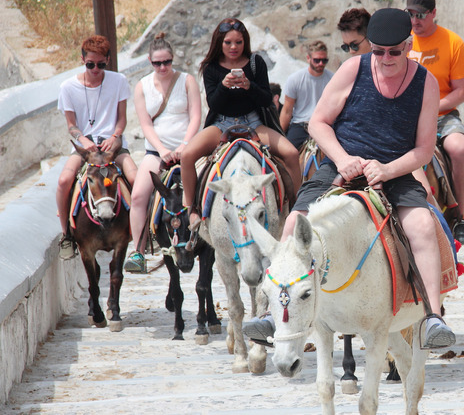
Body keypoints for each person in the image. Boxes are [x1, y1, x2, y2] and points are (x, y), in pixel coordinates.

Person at [245, 8, 456, 350]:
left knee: (420, 224)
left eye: (395, 51)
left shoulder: (426, 83)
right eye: (378, 51)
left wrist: (387, 170)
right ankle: (271, 313)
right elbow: (318, 123)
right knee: (294, 223)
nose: (386, 58)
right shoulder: (351, 70)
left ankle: (432, 317)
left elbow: (424, 149)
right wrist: (343, 160)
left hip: (395, 170)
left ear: (409, 44)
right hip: (342, 166)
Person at [180, 18, 302, 228]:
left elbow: (266, 99)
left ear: (245, 42)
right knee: (187, 155)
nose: (233, 47)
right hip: (221, 124)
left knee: (291, 153)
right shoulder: (210, 68)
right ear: (220, 42)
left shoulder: (256, 63)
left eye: (238, 42)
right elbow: (214, 103)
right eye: (228, 43)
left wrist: (249, 86)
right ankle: (191, 210)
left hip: (252, 122)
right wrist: (224, 86)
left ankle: (299, 207)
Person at [122, 33, 202, 273]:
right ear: (150, 61)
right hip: (157, 152)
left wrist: (184, 145)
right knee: (138, 197)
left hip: (187, 150)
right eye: (157, 63)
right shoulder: (142, 86)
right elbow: (146, 124)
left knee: (209, 187)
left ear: (172, 59)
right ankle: (138, 251)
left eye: (167, 61)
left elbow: (196, 115)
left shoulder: (187, 81)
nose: (163, 67)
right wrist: (163, 150)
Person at [405, 0, 464, 245]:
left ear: (434, 13)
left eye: (421, 15)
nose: (415, 21)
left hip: (443, 115)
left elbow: (460, 92)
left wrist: (431, 108)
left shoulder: (452, 42)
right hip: (407, 116)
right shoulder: (402, 41)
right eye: (410, 14)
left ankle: (460, 217)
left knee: (459, 148)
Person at [56, 35, 137, 260]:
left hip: (113, 146)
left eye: (101, 64)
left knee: (136, 178)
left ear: (108, 61)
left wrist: (115, 136)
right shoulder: (68, 87)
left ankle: (140, 234)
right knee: (64, 181)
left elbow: (121, 119)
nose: (95, 69)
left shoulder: (119, 81)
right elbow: (71, 125)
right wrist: (84, 141)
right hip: (84, 148)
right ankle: (66, 235)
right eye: (90, 64)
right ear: (82, 59)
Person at [279, 40, 334, 149]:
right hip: (300, 125)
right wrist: (280, 135)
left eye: (324, 60)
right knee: (287, 155)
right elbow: (287, 111)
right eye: (317, 60)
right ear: (308, 58)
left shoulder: (333, 79)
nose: (321, 64)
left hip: (325, 125)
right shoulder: (295, 79)